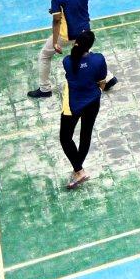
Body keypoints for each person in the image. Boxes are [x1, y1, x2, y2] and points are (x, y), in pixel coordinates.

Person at [30, 0, 116, 99]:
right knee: (82, 51)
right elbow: (76, 4)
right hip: (84, 32)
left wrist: (55, 41)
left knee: (45, 56)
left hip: (66, 35)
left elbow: (57, 20)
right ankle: (108, 77)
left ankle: (45, 89)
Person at [61, 30, 109, 190]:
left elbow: (76, 62)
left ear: (76, 43)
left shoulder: (67, 61)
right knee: (85, 134)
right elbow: (102, 82)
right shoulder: (99, 59)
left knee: (65, 138)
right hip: (93, 102)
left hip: (73, 105)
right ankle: (78, 168)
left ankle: (79, 170)